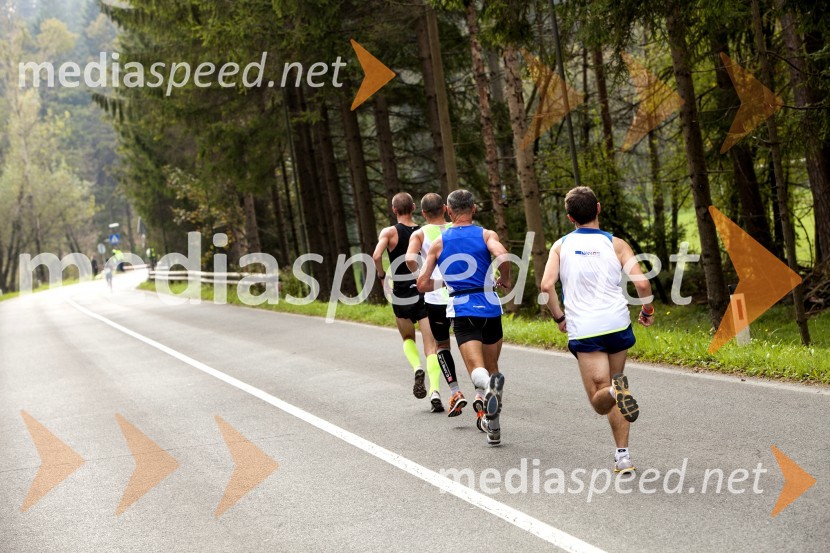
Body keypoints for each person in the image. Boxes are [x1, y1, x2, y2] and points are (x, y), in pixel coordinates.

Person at [540, 186, 654, 473]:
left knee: (600, 400)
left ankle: (617, 392)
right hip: (617, 324)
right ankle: (623, 456)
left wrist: (559, 317)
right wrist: (647, 310)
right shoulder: (616, 244)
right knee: (616, 381)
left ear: (569, 218)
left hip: (585, 328)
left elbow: (546, 286)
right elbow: (642, 283)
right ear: (598, 208)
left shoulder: (560, 246)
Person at [417, 189, 511, 446]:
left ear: (448, 210)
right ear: (474, 208)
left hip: (463, 308)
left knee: (477, 371)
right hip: (490, 305)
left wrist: (446, 283)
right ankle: (491, 426)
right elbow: (503, 255)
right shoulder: (486, 234)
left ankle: (490, 396)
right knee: (493, 369)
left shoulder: (440, 242)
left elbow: (422, 283)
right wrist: (505, 278)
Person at [372, 192, 444, 412]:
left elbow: (376, 256)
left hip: (401, 294)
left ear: (394, 210)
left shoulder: (390, 232)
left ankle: (416, 368)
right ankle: (435, 391)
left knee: (407, 338)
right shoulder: (422, 232)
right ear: (414, 207)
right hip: (423, 292)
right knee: (432, 346)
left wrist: (382, 275)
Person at [406, 193, 467, 418]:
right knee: (469, 342)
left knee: (442, 345)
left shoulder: (420, 233)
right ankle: (482, 387)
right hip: (460, 294)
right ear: (445, 208)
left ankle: (454, 390)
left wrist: (421, 274)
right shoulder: (459, 227)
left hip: (435, 297)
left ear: (422, 213)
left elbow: (409, 258)